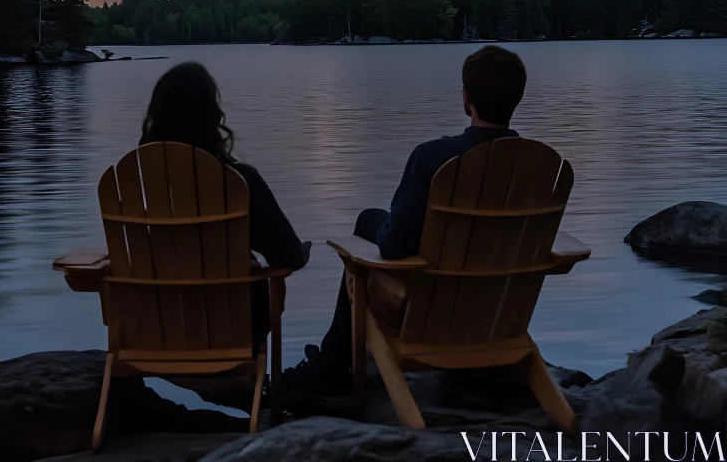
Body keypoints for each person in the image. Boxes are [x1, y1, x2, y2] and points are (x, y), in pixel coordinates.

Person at [281, 44, 527, 404]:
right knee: (372, 220)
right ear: (517, 98)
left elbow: (395, 247)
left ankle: (333, 366)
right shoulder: (534, 166)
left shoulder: (433, 157)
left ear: (466, 98)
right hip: (500, 312)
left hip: (430, 313)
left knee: (369, 223)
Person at [140, 61, 309, 346]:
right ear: (211, 115)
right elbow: (287, 257)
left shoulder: (139, 178)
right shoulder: (240, 181)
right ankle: (258, 386)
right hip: (236, 321)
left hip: (157, 319)